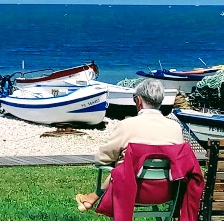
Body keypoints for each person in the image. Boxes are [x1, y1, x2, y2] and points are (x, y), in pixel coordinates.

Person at [77, 78, 183, 211]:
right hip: (167, 193)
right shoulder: (175, 128)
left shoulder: (126, 126)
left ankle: (94, 196)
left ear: (138, 100)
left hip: (131, 192)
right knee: (127, 164)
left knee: (124, 166)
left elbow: (102, 159)